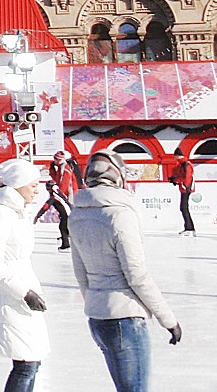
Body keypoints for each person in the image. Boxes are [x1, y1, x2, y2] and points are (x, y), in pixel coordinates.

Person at [70, 149, 182, 392]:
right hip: (125, 318)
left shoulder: (77, 213)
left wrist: (96, 303)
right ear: (119, 176)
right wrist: (168, 319)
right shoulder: (120, 214)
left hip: (98, 318)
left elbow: (80, 271)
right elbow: (136, 274)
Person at [0, 159, 49, 392]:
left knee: (32, 361)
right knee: (26, 364)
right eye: (33, 185)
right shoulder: (1, 213)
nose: (38, 191)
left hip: (21, 293)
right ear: (18, 185)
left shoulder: (18, 212)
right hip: (9, 297)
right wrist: (24, 292)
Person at [34, 150, 77, 250]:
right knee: (65, 221)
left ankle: (67, 241)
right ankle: (67, 237)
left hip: (68, 195)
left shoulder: (65, 169)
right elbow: (56, 179)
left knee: (65, 222)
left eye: (55, 159)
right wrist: (52, 167)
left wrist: (62, 195)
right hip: (64, 197)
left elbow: (64, 183)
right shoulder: (60, 168)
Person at [168, 148, 196, 236]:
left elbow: (186, 178)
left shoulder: (186, 165)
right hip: (184, 188)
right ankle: (189, 227)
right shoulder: (181, 165)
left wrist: (177, 180)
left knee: (184, 208)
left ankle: (190, 228)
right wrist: (174, 180)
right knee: (183, 208)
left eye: (175, 156)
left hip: (186, 188)